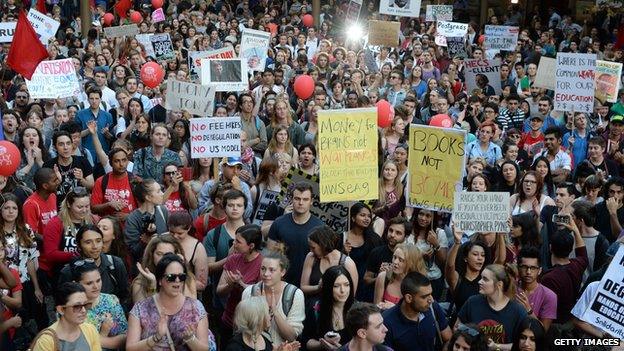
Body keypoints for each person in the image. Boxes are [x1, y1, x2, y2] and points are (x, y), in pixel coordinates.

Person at [126, 253, 216, 351]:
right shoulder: (141, 308)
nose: (177, 281)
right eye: (171, 277)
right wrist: (156, 337)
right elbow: (130, 348)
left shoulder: (196, 307)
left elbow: (205, 349)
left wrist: (190, 339)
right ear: (160, 280)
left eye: (181, 277)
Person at [241, 249, 305, 345]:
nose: (266, 274)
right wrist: (260, 307)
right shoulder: (250, 292)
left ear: (282, 272)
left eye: (272, 270)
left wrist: (275, 311)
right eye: (263, 269)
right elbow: (245, 331)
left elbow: (291, 337)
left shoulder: (295, 294)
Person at [456, 264, 528, 349]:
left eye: (485, 279)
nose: (479, 281)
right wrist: (475, 335)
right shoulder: (472, 302)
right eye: (481, 278)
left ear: (499, 284)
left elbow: (523, 345)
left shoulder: (518, 310)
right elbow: (457, 327)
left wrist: (496, 346)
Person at [267, 182, 324, 285]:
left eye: (305, 199)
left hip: (310, 284)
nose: (301, 203)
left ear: (311, 201)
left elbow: (324, 258)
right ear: (292, 199)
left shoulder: (320, 227)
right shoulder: (279, 223)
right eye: (297, 198)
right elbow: (270, 255)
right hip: (282, 281)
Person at [58, 225, 130, 306]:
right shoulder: (68, 272)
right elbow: (63, 305)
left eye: (98, 241)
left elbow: (125, 297)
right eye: (88, 242)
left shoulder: (115, 263)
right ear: (79, 245)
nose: (95, 246)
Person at [216, 224, 264, 342]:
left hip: (248, 325)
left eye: (238, 242)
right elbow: (219, 291)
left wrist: (241, 284)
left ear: (251, 246)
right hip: (229, 319)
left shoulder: (263, 264)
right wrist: (230, 284)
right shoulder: (233, 259)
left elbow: (260, 296)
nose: (234, 244)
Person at [382, 272, 452, 351]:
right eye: (424, 297)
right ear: (409, 298)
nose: (431, 300)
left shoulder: (433, 307)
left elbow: (448, 339)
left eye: (430, 294)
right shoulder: (387, 322)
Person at [540, 213, 588, 324]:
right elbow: (582, 255)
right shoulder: (577, 265)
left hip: (555, 325)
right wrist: (575, 230)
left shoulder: (549, 278)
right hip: (570, 321)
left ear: (550, 248)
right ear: (571, 249)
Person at [40, 187, 94, 281]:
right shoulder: (56, 223)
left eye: (87, 206)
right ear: (69, 204)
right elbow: (50, 254)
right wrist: (76, 255)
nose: (84, 210)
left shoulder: (92, 220)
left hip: (88, 274)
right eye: (80, 207)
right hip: (62, 275)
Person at [71, 260, 127, 350]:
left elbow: (125, 336)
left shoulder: (111, 301)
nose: (96, 286)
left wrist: (97, 339)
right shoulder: (68, 309)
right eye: (89, 283)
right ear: (76, 284)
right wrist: (102, 335)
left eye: (98, 280)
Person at [30, 282, 102, 351]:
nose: (83, 310)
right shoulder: (46, 341)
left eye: (86, 305)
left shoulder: (90, 330)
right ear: (61, 309)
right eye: (77, 306)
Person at [131, 235, 197, 303]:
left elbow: (191, 307)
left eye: (169, 254)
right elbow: (144, 311)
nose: (163, 258)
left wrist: (181, 271)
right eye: (159, 254)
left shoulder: (188, 279)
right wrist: (152, 287)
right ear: (152, 255)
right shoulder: (140, 283)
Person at [225, 296, 300, 351]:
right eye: (268, 312)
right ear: (257, 318)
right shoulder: (235, 347)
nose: (270, 315)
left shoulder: (264, 337)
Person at [124, 179, 169, 263]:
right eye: (158, 191)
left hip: (163, 263)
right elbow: (133, 252)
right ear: (148, 197)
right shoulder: (133, 219)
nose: (162, 194)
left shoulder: (163, 211)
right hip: (144, 266)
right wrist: (144, 241)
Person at [364, 216, 410, 293]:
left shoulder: (410, 255)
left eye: (398, 233)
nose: (392, 235)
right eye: (390, 230)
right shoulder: (376, 252)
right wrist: (381, 277)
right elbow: (366, 280)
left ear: (406, 236)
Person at [374, 243, 427, 310]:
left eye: (401, 260)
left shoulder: (419, 284)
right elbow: (376, 309)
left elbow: (419, 313)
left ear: (411, 263)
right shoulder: (384, 277)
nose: (395, 262)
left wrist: (394, 308)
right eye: (394, 257)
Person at [515, 247, 557, 331]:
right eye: (524, 267)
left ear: (540, 270)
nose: (528, 272)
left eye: (533, 268)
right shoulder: (509, 289)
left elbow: (543, 330)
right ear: (518, 268)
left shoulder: (549, 296)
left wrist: (528, 310)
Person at [90, 147, 138, 218]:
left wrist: (129, 217)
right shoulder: (101, 181)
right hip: (108, 225)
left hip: (130, 226)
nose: (121, 164)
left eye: (124, 160)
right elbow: (93, 208)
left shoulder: (135, 180)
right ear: (110, 163)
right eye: (117, 161)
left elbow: (144, 208)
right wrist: (108, 204)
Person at [168, 211, 208, 292]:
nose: (175, 236)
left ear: (189, 228)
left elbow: (202, 284)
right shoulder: (161, 240)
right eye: (171, 232)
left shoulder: (198, 248)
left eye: (180, 233)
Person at [23, 167, 60, 237]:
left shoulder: (53, 196)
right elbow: (30, 233)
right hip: (40, 246)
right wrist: (51, 240)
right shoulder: (31, 204)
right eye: (55, 180)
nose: (58, 182)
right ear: (45, 186)